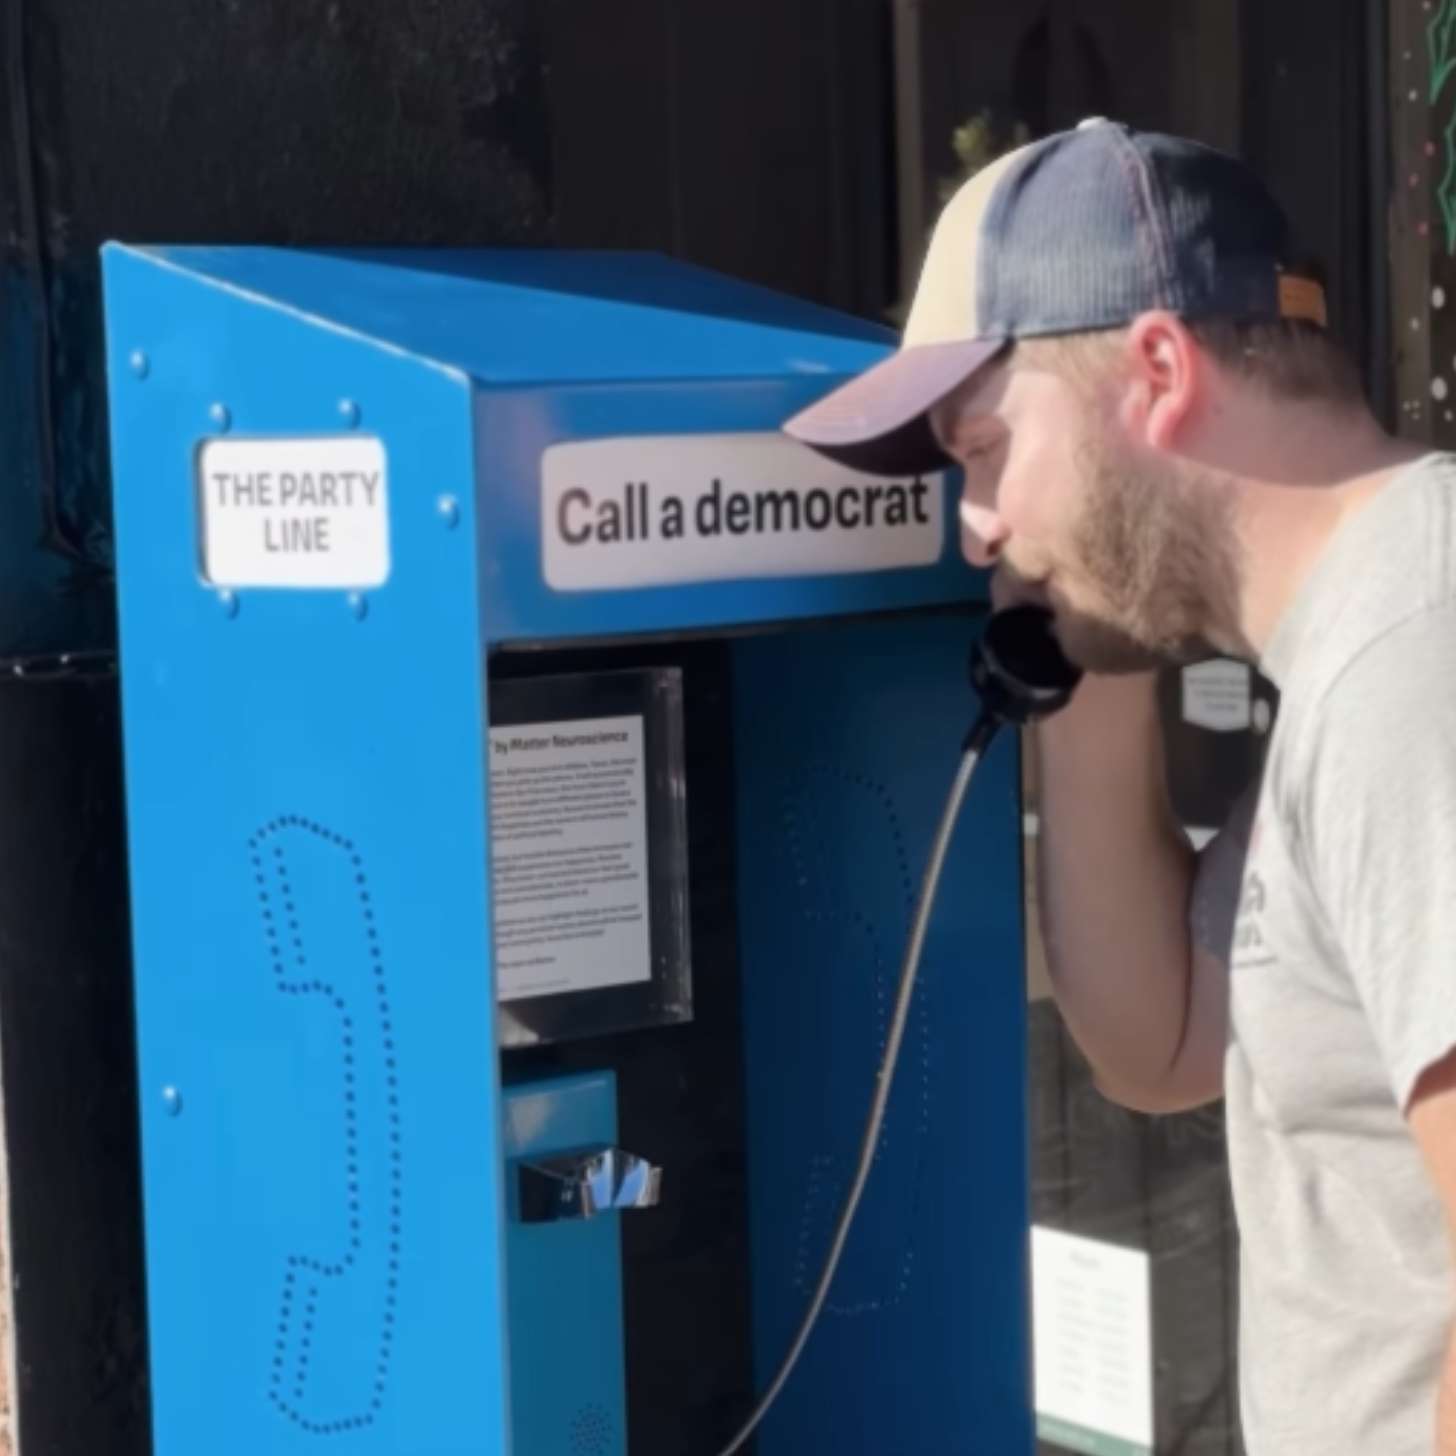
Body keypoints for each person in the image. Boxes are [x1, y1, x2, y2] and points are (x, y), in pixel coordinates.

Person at [782, 117, 1456, 1455]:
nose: (971, 524)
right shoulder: (1353, 647)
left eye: (981, 448)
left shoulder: (1409, 654)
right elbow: (1162, 1039)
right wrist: (1086, 630)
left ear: (1155, 367)